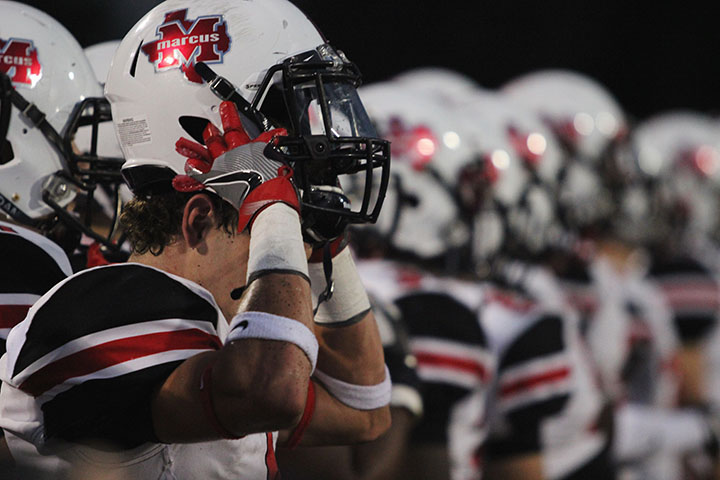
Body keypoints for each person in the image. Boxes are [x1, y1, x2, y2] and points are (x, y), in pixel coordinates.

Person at [0, 0, 392, 478]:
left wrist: (326, 244)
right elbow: (269, 390)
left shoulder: (226, 348)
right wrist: (273, 211)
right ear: (199, 220)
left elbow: (366, 412)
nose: (290, 273)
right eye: (276, 240)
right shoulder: (104, 307)